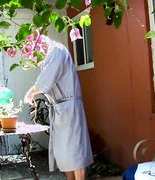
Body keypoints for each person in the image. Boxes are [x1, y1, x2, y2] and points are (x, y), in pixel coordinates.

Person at [24, 35, 93, 180]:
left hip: (69, 108)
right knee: (63, 153)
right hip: (60, 109)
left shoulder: (57, 50)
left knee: (75, 152)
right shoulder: (48, 54)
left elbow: (46, 80)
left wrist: (31, 92)